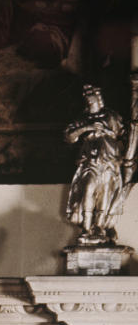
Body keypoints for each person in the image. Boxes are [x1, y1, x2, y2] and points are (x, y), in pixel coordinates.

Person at [64, 84, 126, 244]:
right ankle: (86, 227)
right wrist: (87, 128)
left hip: (110, 161)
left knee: (106, 192)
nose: (94, 101)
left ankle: (99, 227)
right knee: (88, 189)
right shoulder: (83, 118)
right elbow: (70, 137)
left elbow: (122, 134)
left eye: (95, 97)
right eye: (90, 98)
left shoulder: (111, 116)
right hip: (90, 161)